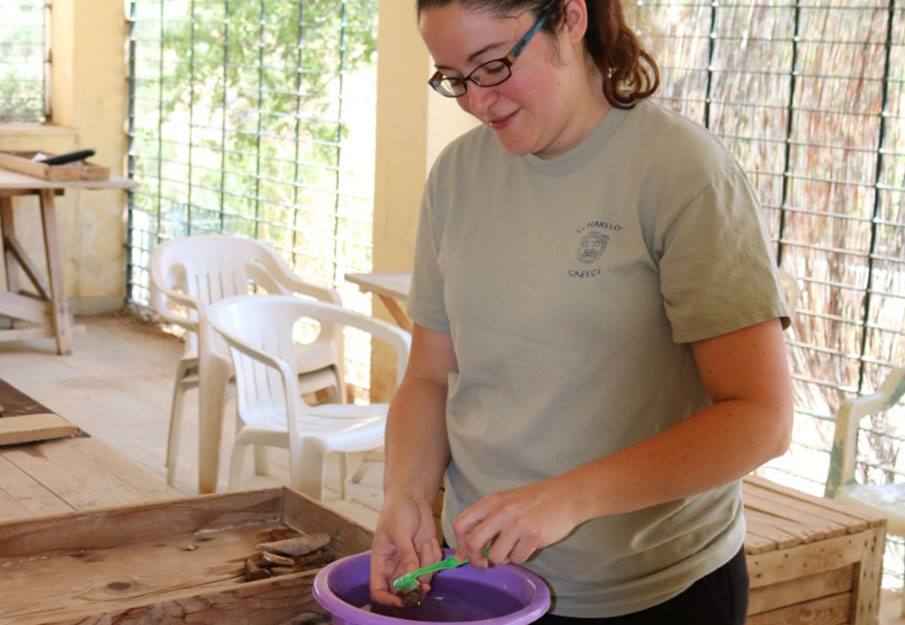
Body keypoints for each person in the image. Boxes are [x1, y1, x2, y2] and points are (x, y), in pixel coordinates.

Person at [369, 0, 794, 622]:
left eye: (492, 66)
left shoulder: (683, 173)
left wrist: (570, 498)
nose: (476, 103)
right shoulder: (456, 177)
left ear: (570, 18)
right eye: (454, 79)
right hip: (484, 582)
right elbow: (430, 377)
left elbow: (762, 417)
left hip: (653, 592)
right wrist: (403, 495)